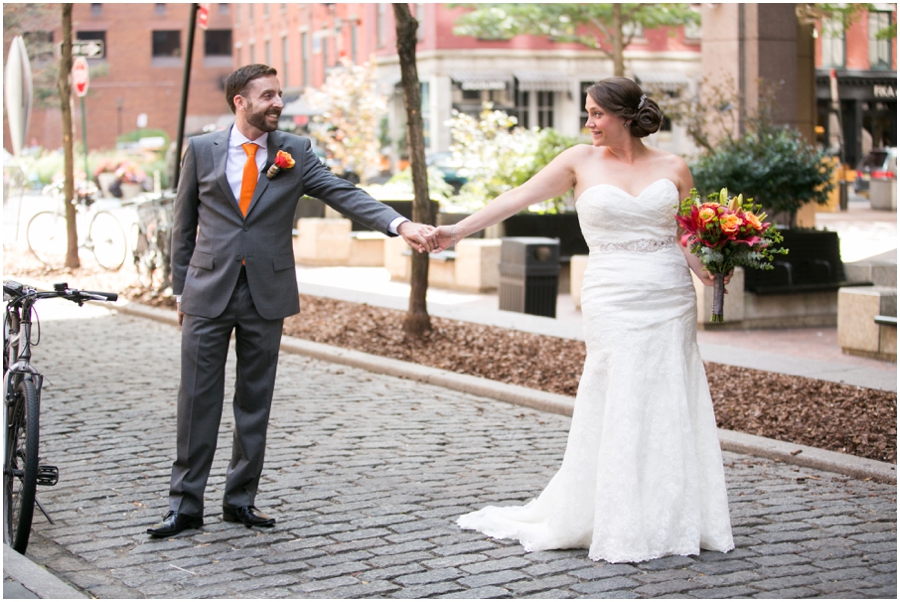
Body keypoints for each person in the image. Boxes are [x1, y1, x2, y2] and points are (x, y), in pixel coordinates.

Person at [427, 77, 735, 563]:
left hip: (669, 296)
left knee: (669, 393)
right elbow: (519, 196)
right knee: (619, 392)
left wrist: (714, 270)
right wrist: (457, 231)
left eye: (597, 114)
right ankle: (613, 515)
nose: (589, 123)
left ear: (627, 117)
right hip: (612, 294)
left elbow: (688, 238)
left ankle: (671, 513)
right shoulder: (578, 161)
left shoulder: (674, 166)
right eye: (587, 114)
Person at [147, 64, 435, 537]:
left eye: (279, 94)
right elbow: (182, 227)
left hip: (268, 293)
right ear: (240, 101)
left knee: (254, 403)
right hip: (206, 293)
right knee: (197, 401)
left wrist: (399, 225)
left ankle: (240, 500)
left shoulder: (294, 151)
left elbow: (343, 193)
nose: (278, 103)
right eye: (268, 95)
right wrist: (181, 289)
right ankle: (185, 505)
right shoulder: (201, 150)